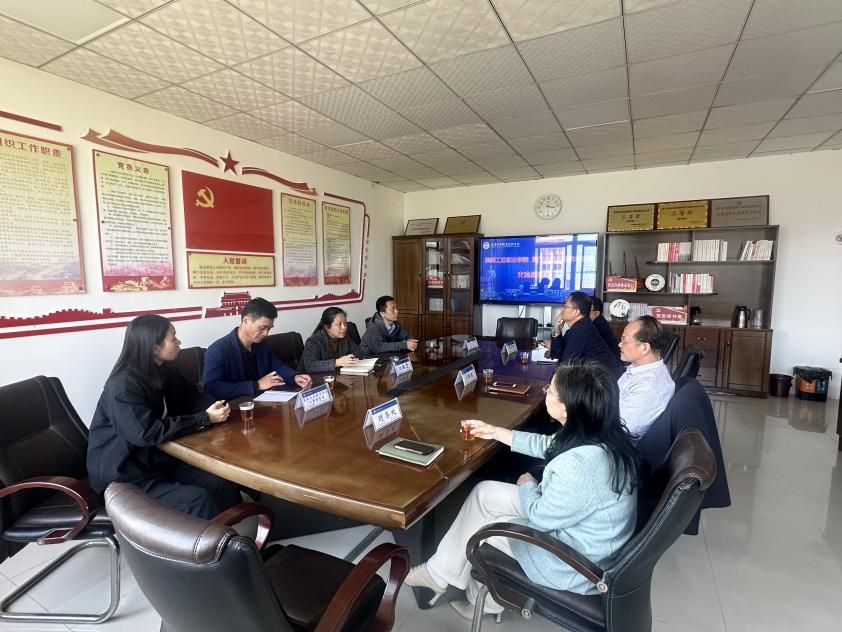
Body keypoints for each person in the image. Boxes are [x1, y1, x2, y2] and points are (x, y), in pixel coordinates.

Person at [404, 360, 641, 620]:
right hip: (580, 530)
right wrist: (495, 432)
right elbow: (549, 445)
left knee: (485, 529)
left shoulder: (580, 466)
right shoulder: (597, 432)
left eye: (550, 390)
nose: (545, 392)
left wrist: (528, 485)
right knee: (485, 494)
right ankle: (439, 575)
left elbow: (540, 516)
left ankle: (484, 603)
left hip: (573, 562)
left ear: (566, 407)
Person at [87, 315, 241, 519]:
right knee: (197, 500)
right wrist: (205, 418)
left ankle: (234, 530)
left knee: (219, 481)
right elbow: (145, 432)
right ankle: (208, 539)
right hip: (125, 475)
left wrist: (217, 407)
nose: (179, 342)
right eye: (173, 338)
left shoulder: (165, 370)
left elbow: (192, 398)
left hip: (156, 461)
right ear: (154, 347)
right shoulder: (124, 385)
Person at [203, 297, 312, 400]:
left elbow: (277, 366)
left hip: (263, 402)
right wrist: (256, 385)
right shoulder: (218, 350)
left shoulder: (261, 345)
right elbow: (211, 387)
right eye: (262, 328)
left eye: (269, 329)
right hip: (234, 406)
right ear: (246, 321)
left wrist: (294, 377)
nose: (266, 334)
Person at [618, 315, 675, 438]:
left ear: (644, 348)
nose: (619, 345)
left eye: (624, 341)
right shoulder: (638, 370)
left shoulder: (647, 387)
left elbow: (622, 429)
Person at [549, 292, 623, 377]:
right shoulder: (578, 327)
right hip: (595, 377)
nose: (561, 309)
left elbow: (566, 365)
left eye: (565, 306)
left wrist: (553, 382)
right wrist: (557, 331)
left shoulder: (582, 330)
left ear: (576, 312)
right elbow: (558, 354)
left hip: (605, 380)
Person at [300, 306, 361, 373]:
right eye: (339, 324)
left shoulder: (345, 337)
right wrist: (337, 362)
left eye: (345, 323)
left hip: (339, 376)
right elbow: (310, 366)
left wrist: (352, 357)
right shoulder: (313, 341)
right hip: (317, 378)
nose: (344, 327)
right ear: (326, 327)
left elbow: (358, 353)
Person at [590, 295, 620, 360]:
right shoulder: (596, 321)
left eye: (587, 310)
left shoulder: (597, 325)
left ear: (597, 313)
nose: (583, 313)